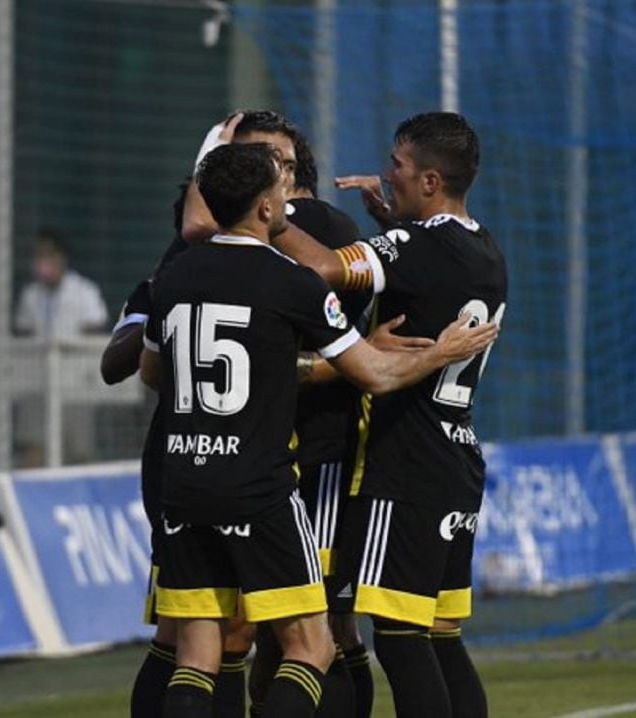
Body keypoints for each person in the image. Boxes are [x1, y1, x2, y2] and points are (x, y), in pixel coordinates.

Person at [139, 142, 497, 718]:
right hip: (260, 489)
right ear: (262, 208)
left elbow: (151, 371)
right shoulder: (291, 283)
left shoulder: (174, 277)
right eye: (280, 189)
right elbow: (376, 375)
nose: (290, 199)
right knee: (313, 644)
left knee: (196, 651)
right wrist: (441, 352)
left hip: (183, 479)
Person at [270, 112, 508, 718]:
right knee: (442, 639)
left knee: (399, 641)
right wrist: (392, 225)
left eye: (398, 165)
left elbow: (324, 268)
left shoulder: (416, 246)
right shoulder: (484, 249)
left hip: (406, 461)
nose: (387, 173)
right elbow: (427, 274)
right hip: (456, 456)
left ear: (430, 181)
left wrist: (263, 214)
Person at [181, 110, 377, 718]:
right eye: (259, 161)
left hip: (310, 456)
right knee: (276, 638)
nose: (274, 175)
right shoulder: (200, 252)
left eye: (283, 163)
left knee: (307, 631)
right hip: (257, 470)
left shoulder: (320, 227)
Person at [102, 181, 254, 718]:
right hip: (195, 467)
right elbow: (113, 365)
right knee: (193, 631)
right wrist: (152, 318)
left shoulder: (245, 278)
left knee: (214, 632)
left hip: (212, 466)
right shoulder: (166, 284)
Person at [15, 229, 108, 466]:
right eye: (39, 256)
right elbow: (23, 331)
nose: (43, 261)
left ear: (62, 257)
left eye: (48, 255)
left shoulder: (84, 291)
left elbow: (95, 326)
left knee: (79, 450)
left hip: (75, 383)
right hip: (37, 382)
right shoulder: (31, 295)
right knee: (35, 447)